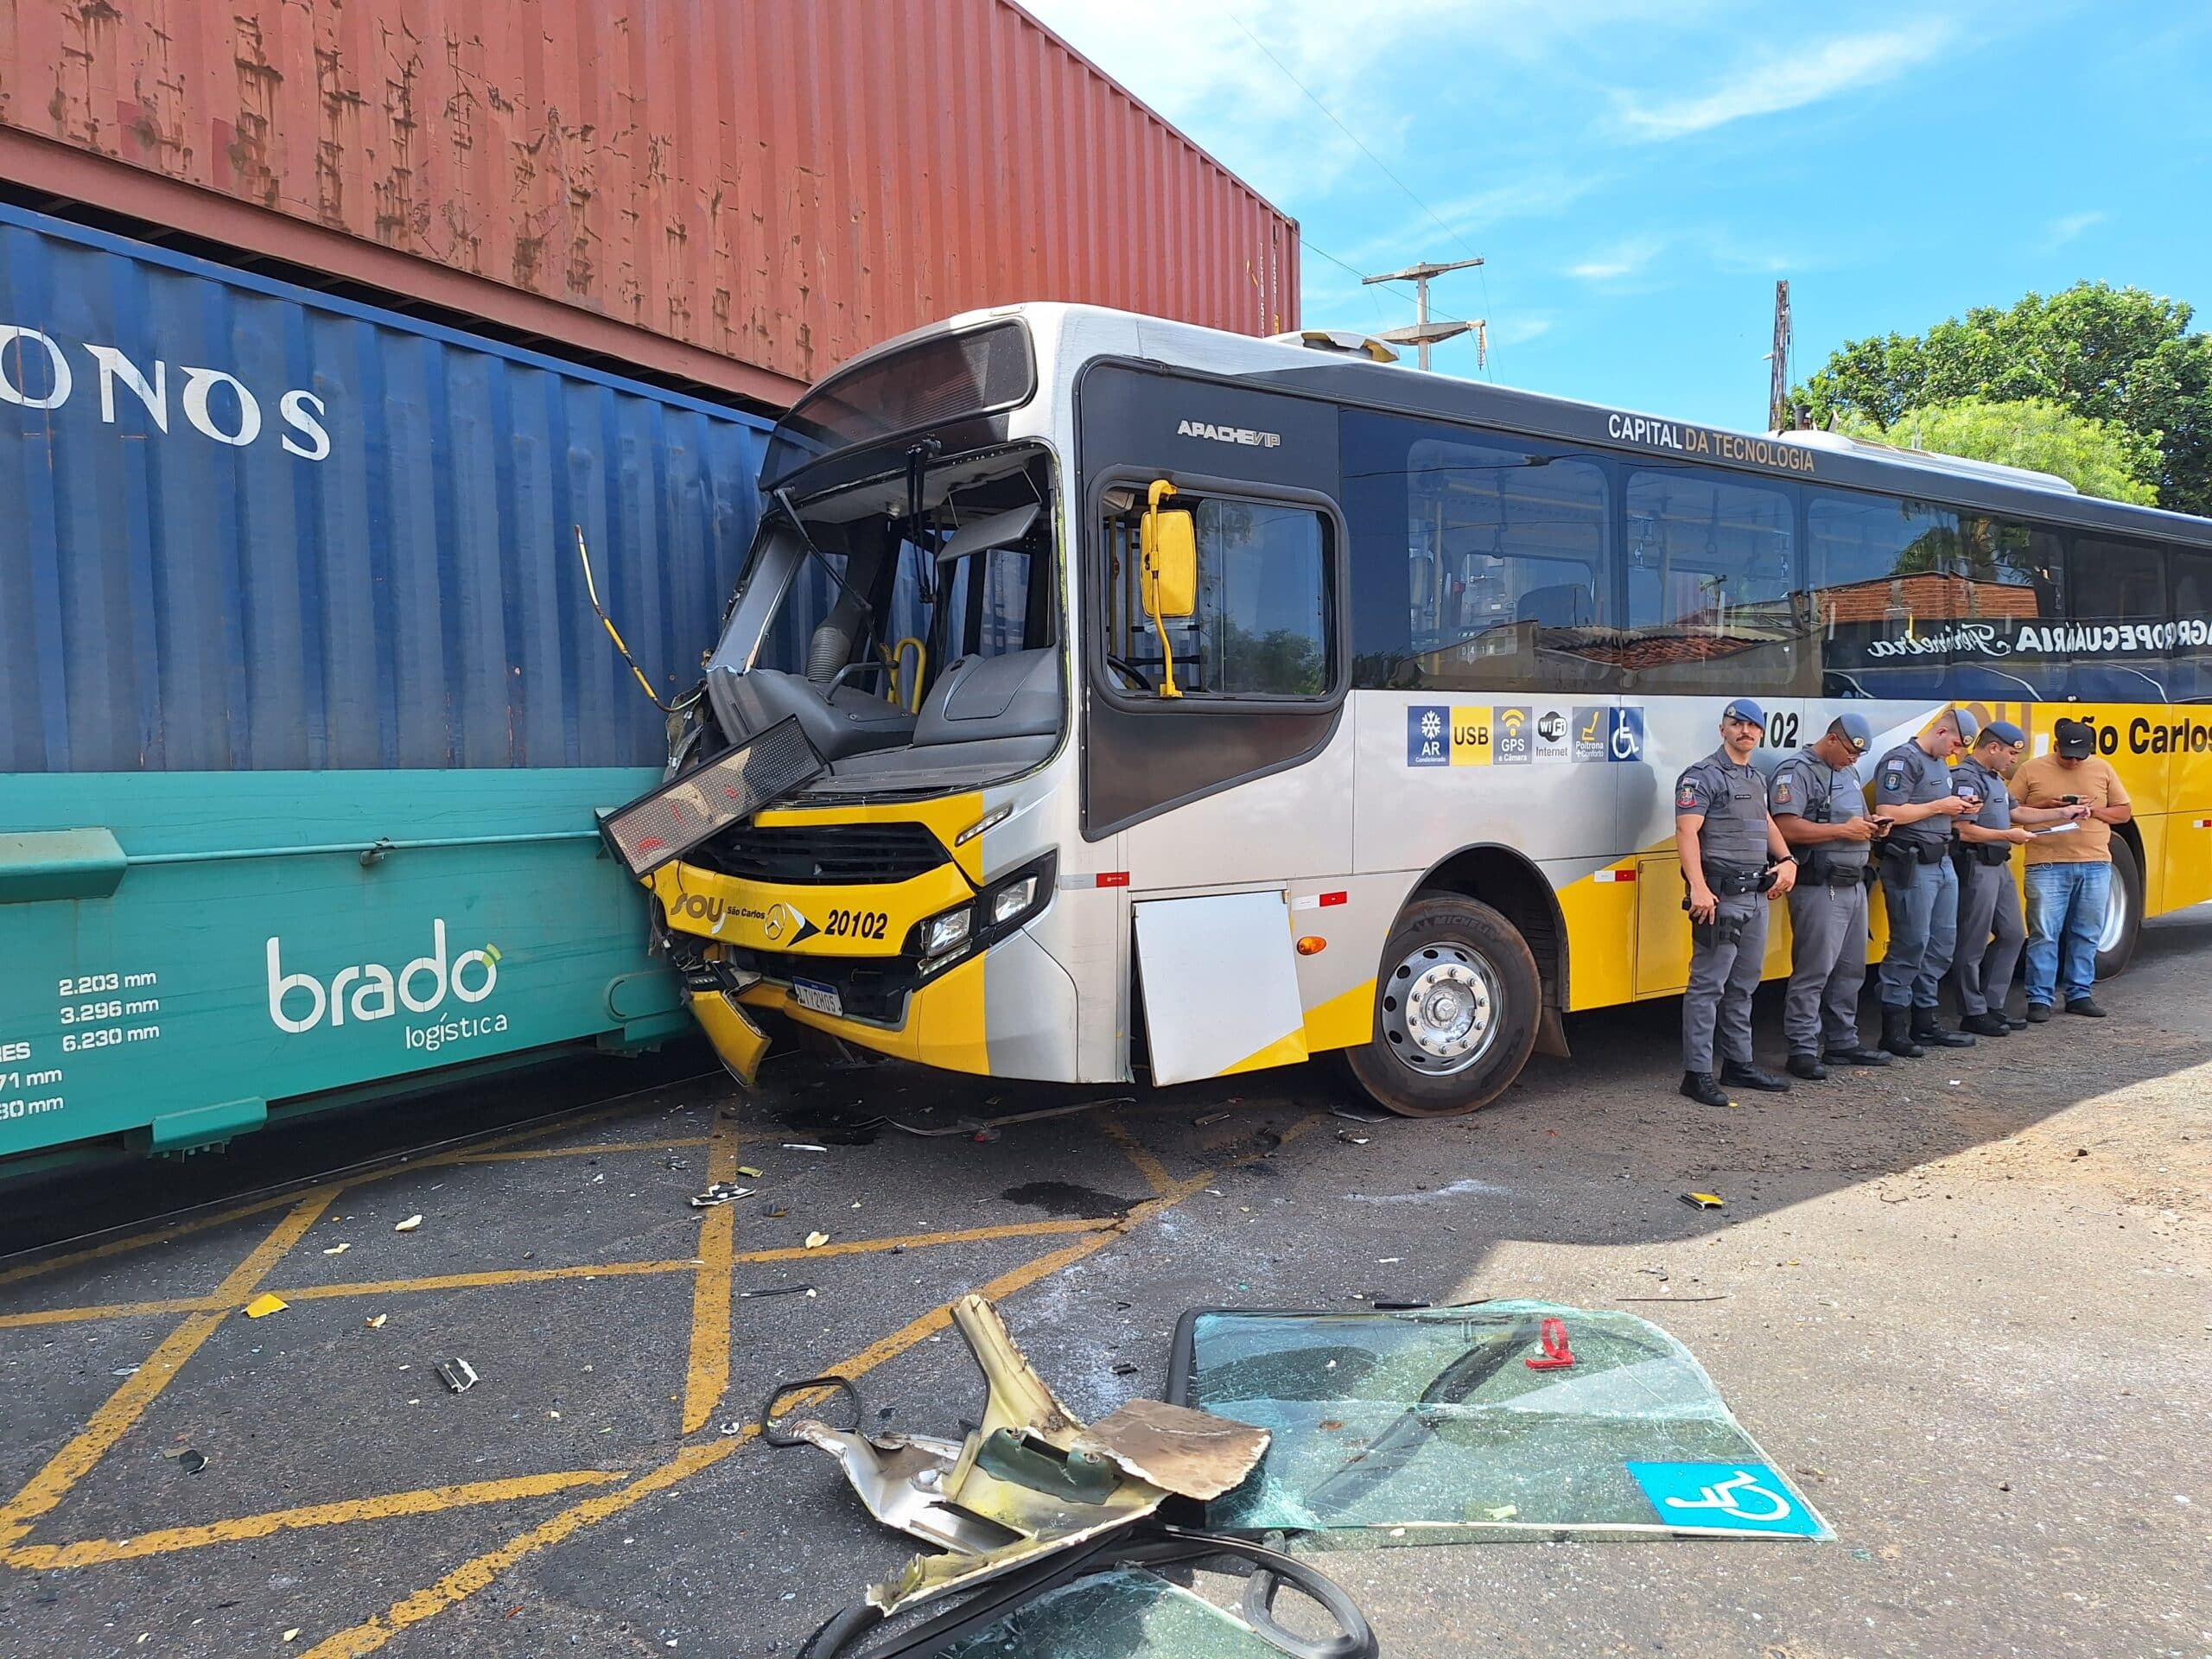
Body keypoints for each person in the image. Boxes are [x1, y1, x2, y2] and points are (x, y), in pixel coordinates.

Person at [1675, 698, 1797, 1106]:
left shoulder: (1755, 777)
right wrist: (1698, 887)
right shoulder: (1702, 776)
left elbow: (1766, 822)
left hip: (1756, 896)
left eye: (1753, 726)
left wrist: (1786, 859)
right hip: (1719, 897)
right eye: (1737, 723)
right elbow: (1686, 832)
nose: (1746, 731)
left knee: (1744, 986)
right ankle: (1696, 1073)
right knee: (1707, 986)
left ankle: (1739, 1064)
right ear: (1722, 728)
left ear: (1762, 733)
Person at [1769, 712, 1891, 1080]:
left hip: (1854, 884)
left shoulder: (1848, 770)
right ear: (1832, 739)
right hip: (1819, 884)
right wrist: (1843, 830)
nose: (1855, 759)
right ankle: (1803, 1048)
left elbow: (1856, 820)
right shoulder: (1797, 771)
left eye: (1859, 754)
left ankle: (1842, 1042)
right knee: (1815, 970)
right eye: (1851, 751)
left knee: (1851, 969)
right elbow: (1785, 826)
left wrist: (1872, 828)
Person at [1872, 709, 1978, 1057]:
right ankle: (1893, 1029)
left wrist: (1956, 808)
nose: (1957, 752)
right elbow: (1889, 811)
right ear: (1942, 730)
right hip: (1912, 863)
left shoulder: (1939, 763)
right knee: (1911, 943)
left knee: (1941, 943)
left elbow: (1935, 807)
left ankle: (1925, 1021)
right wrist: (1939, 806)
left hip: (1941, 860)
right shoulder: (1902, 760)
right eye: (1956, 744)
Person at [2010, 717, 2131, 1020]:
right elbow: (2008, 812)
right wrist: (2048, 806)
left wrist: (2093, 811)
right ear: (2055, 747)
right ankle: (2040, 999)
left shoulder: (2102, 768)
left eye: (2080, 756)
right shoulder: (2031, 769)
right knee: (2044, 934)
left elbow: (2124, 813)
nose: (2074, 762)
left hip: (2095, 862)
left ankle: (2080, 994)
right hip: (2046, 863)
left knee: (2087, 931)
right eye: (2067, 755)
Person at [1949, 719, 2032, 1037]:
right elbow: (1963, 829)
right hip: (1977, 865)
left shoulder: (1994, 779)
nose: (2014, 760)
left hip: (1999, 865)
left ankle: (1992, 1004)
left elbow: (2018, 812)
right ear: (1993, 748)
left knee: (2013, 934)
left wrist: (2064, 814)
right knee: (1971, 942)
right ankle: (1972, 1011)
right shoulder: (1966, 778)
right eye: (2011, 753)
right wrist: (2006, 835)